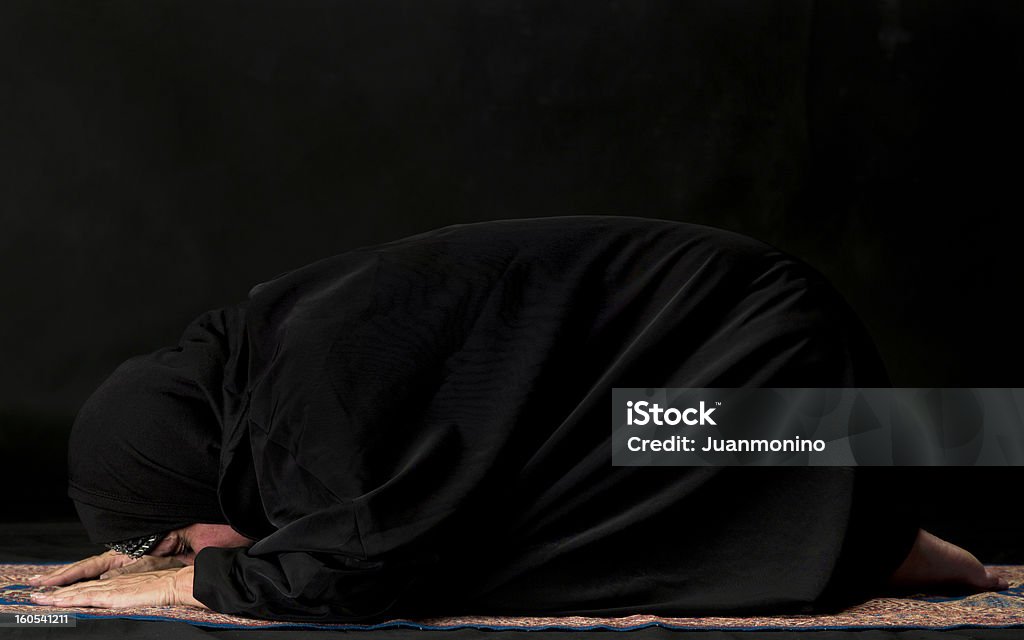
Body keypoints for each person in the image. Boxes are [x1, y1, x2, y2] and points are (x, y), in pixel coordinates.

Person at [29, 216, 1007, 622]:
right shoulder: (278, 346)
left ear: (193, 467)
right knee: (501, 509)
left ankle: (873, 533)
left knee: (453, 557)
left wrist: (194, 582)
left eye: (161, 534)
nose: (173, 551)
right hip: (738, 360)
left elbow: (356, 568)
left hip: (748, 351)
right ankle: (876, 524)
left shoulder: (306, 412)